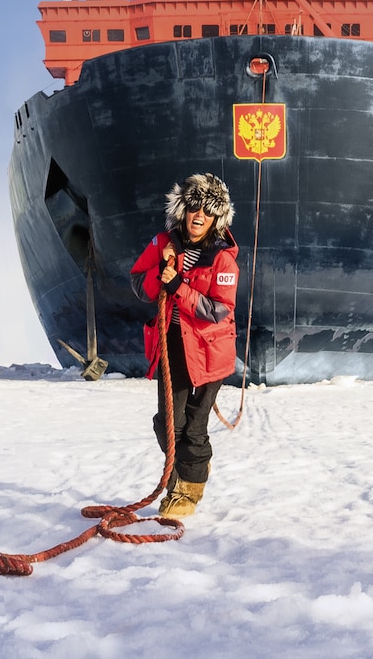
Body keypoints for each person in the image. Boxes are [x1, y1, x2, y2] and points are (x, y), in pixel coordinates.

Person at [129, 173, 239, 519]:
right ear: (183, 209)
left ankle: (188, 491)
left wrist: (177, 285)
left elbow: (218, 311)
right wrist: (159, 270)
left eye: (207, 211)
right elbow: (137, 282)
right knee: (168, 424)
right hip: (172, 346)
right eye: (194, 207)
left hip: (210, 352)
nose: (198, 216)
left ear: (216, 219)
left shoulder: (222, 259)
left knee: (193, 425)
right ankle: (180, 476)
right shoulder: (163, 241)